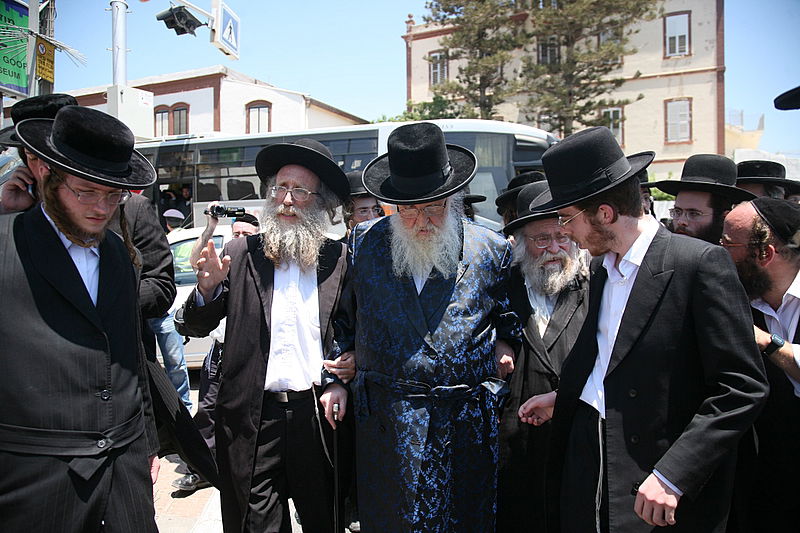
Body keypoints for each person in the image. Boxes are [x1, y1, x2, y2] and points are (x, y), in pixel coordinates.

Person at [518, 126, 768, 532]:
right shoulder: (600, 268)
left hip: (658, 486)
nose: (564, 231)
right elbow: (611, 359)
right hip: (594, 467)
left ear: (604, 213)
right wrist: (567, 396)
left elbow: (741, 387)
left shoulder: (699, 264)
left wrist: (675, 474)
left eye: (566, 218)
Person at [321, 122, 521, 532]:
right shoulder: (365, 244)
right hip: (388, 424)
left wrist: (506, 344)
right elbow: (343, 316)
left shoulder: (491, 248)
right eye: (409, 210)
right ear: (392, 206)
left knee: (466, 520)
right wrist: (342, 368)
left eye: (434, 207)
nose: (422, 221)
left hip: (465, 423)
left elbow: (510, 318)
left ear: (454, 199)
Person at [0, 105, 161, 531]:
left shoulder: (118, 254)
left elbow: (131, 359)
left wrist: (146, 443)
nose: (100, 208)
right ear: (45, 175)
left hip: (125, 474)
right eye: (85, 192)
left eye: (112, 195)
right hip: (35, 482)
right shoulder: (6, 245)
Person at [180, 138, 353, 532]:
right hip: (253, 421)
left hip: (317, 417)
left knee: (323, 519)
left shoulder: (340, 260)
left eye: (300, 191)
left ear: (322, 202)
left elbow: (352, 331)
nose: (287, 199)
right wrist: (205, 291)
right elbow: (194, 327)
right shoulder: (240, 254)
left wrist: (349, 367)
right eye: (280, 188)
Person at [496, 181, 589, 532]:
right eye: (541, 240)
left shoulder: (596, 285)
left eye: (561, 237)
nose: (554, 248)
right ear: (520, 244)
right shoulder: (498, 287)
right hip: (515, 443)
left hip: (575, 439)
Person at [721, 198, 800, 532]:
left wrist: (766, 342)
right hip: (761, 487)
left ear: (765, 254)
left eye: (727, 244)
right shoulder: (735, 298)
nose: (717, 252)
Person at [173, 208, 260, 493]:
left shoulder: (260, 268)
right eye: (235, 234)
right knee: (207, 411)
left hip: (247, 355)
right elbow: (194, 259)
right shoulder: (221, 264)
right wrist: (210, 227)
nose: (239, 239)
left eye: (246, 235)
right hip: (219, 351)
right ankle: (200, 470)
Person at [649, 154, 755, 244]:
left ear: (724, 218)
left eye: (694, 214)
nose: (681, 221)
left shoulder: (737, 263)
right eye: (677, 211)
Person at [0, 93, 77, 214]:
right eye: (32, 157)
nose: (44, 169)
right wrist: (9, 209)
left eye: (53, 155)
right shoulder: (24, 202)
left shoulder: (104, 203)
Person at [342, 170, 383, 239]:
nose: (371, 217)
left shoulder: (390, 243)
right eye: (363, 211)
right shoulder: (339, 248)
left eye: (375, 209)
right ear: (349, 216)